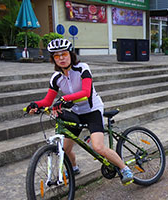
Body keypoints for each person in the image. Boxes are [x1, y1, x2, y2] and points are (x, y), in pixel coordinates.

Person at [25, 38, 134, 185]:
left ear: (71, 54)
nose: (61, 58)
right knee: (65, 148)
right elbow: (47, 101)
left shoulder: (82, 68)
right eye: (57, 56)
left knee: (98, 147)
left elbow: (86, 91)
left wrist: (64, 99)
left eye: (64, 54)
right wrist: (35, 105)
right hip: (76, 112)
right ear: (53, 59)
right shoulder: (56, 78)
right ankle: (73, 168)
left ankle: (124, 168)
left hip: (92, 110)